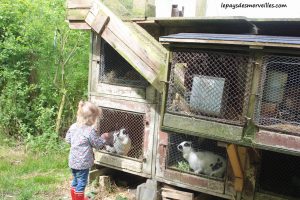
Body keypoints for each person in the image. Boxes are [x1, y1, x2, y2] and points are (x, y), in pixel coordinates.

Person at [65, 100, 111, 200]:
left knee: (75, 181)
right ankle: (79, 198)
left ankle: (75, 198)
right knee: (81, 184)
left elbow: (68, 139)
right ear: (92, 118)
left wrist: (77, 143)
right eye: (96, 118)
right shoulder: (90, 131)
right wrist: (103, 138)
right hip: (83, 163)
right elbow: (97, 144)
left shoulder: (73, 127)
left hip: (73, 161)